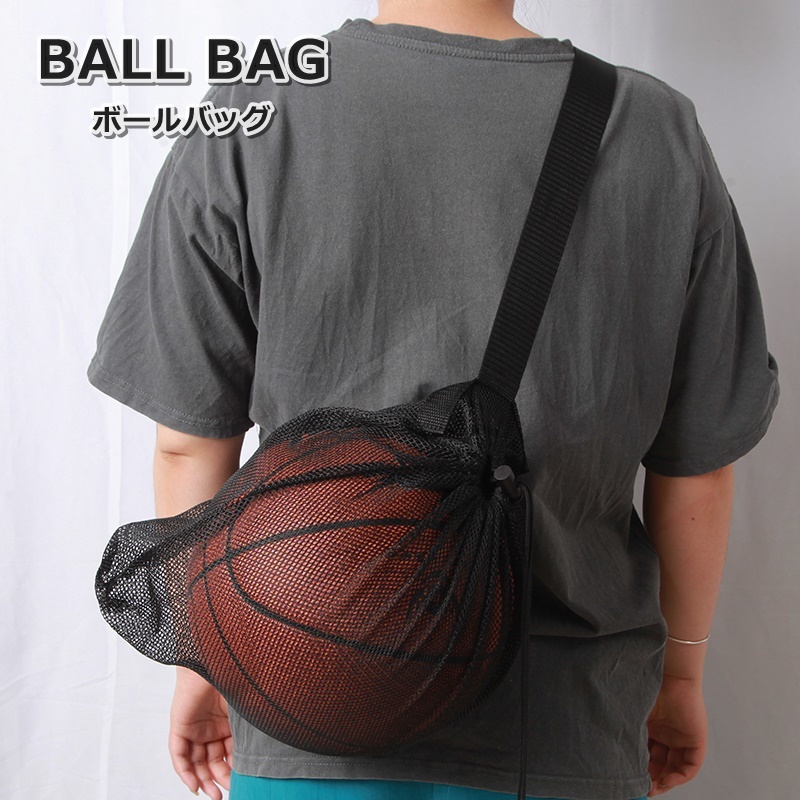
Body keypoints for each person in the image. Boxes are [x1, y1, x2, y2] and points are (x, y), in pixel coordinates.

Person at [87, 1, 780, 799]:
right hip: (564, 734)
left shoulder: (253, 114)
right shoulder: (656, 129)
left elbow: (187, 443)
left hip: (309, 713)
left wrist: (205, 666)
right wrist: (681, 676)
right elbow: (697, 471)